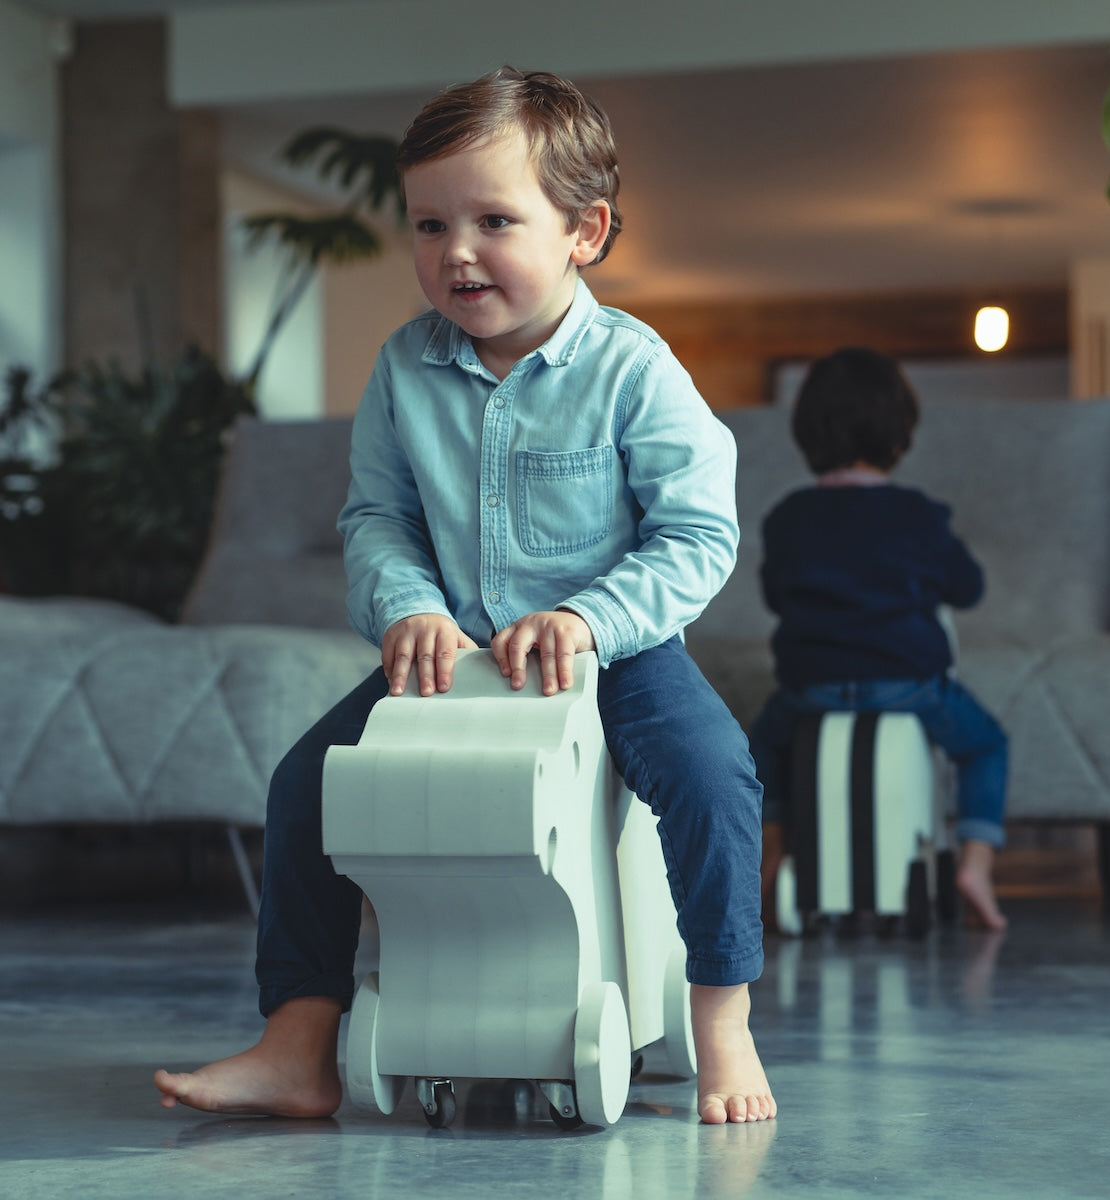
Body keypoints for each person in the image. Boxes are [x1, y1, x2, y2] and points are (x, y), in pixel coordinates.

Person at [154, 66, 775, 1126]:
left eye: (494, 219)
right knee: (310, 780)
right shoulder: (404, 369)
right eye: (430, 224)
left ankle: (723, 1023)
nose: (457, 251)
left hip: (615, 658)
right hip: (454, 661)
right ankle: (300, 1040)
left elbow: (698, 533)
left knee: (715, 775)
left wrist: (590, 617)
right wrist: (408, 609)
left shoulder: (633, 368)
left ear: (586, 230)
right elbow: (378, 519)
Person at [749, 347, 1008, 932]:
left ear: (806, 434)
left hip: (809, 691)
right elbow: (967, 588)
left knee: (758, 751)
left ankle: (775, 855)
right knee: (987, 744)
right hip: (907, 687)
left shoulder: (788, 517)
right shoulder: (917, 515)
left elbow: (775, 597)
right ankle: (976, 864)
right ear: (899, 435)